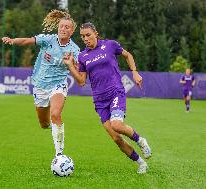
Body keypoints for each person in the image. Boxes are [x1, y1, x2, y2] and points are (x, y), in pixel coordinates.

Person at [63, 22, 151, 174]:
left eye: (88, 35)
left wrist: (135, 72)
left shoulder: (110, 45)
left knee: (117, 125)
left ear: (96, 33)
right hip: (99, 100)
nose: (85, 38)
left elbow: (128, 55)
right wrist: (70, 66)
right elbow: (82, 81)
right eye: (82, 36)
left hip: (116, 92)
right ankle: (141, 162)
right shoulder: (82, 56)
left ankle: (140, 141)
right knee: (116, 138)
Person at [2, 10, 80, 156]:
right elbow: (27, 41)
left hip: (58, 84)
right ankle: (53, 128)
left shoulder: (74, 50)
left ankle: (59, 154)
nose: (63, 29)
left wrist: (72, 65)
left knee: (56, 114)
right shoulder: (48, 39)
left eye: (67, 27)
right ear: (58, 27)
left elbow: (78, 71)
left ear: (72, 31)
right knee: (44, 124)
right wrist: (12, 41)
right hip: (40, 85)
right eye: (61, 26)